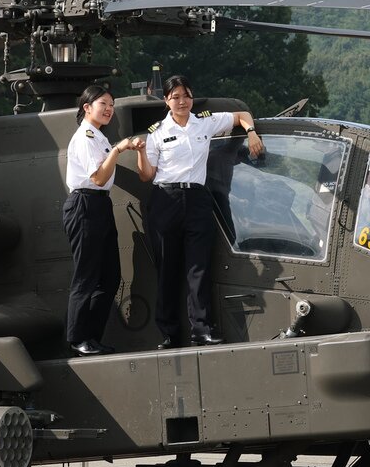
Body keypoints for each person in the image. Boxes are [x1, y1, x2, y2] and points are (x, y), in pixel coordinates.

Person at [137, 75, 264, 348]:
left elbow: (242, 115)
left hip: (197, 198)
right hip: (165, 199)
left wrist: (252, 132)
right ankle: (169, 333)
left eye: (186, 95)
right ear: (166, 101)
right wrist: (138, 153)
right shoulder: (156, 132)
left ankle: (201, 329)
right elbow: (147, 175)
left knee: (199, 268)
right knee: (167, 270)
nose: (182, 102)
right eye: (175, 97)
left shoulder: (204, 122)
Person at [63, 84, 143, 357]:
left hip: (100, 204)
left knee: (110, 277)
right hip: (84, 203)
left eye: (111, 104)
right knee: (86, 277)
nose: (109, 109)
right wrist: (119, 149)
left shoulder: (98, 137)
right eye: (103, 104)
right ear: (87, 108)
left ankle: (92, 337)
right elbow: (97, 177)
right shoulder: (86, 136)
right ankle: (77, 339)